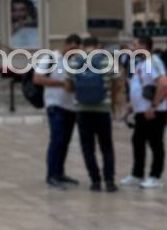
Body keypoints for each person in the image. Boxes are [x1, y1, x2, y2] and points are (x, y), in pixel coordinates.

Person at [67, 37, 122, 192]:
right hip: (102, 110)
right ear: (98, 46)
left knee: (87, 147)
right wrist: (111, 100)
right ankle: (109, 181)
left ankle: (95, 181)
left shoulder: (74, 62)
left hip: (82, 111)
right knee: (106, 147)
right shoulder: (108, 61)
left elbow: (68, 86)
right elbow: (117, 83)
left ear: (83, 47)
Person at [33, 33, 82, 189]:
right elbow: (37, 78)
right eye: (72, 48)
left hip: (71, 106)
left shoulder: (75, 61)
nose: (73, 52)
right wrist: (61, 84)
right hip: (55, 105)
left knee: (65, 141)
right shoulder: (51, 58)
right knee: (57, 140)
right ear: (66, 45)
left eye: (77, 49)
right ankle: (51, 175)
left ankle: (60, 172)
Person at [120, 37, 167, 189]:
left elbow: (162, 83)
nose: (131, 47)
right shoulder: (142, 63)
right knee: (138, 141)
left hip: (153, 111)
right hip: (141, 110)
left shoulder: (153, 61)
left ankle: (155, 176)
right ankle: (137, 174)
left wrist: (154, 106)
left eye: (134, 44)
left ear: (144, 46)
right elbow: (143, 85)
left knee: (155, 143)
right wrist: (132, 105)